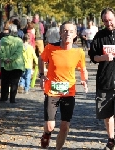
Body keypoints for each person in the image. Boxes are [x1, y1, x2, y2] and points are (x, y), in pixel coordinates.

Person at [38, 21, 88, 149]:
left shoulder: (79, 52)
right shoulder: (50, 47)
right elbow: (41, 59)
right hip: (52, 91)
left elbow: (82, 68)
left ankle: (58, 148)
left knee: (65, 126)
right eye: (65, 31)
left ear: (76, 34)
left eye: (71, 31)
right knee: (50, 125)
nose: (68, 34)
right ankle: (47, 134)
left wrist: (84, 80)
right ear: (60, 33)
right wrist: (42, 75)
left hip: (68, 92)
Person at [89, 7, 115, 150]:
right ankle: (111, 139)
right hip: (104, 80)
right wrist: (103, 57)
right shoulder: (99, 36)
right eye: (105, 21)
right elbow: (93, 56)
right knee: (107, 113)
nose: (108, 23)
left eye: (110, 20)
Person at [0, 24, 25, 103]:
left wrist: (5, 59)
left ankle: (4, 97)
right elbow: (18, 53)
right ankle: (12, 99)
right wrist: (11, 59)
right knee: (14, 83)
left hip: (5, 65)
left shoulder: (3, 40)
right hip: (16, 64)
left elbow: (0, 52)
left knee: (5, 82)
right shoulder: (19, 41)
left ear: (9, 31)